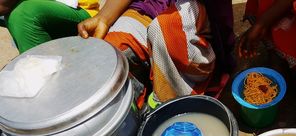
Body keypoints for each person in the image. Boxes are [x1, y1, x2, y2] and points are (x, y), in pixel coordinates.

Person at [77, 0, 235, 110]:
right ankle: (134, 112)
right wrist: (103, 18)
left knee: (164, 31)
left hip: (198, 8)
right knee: (111, 52)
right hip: (150, 6)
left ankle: (171, 107)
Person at [0, 0, 99, 53]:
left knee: (21, 14)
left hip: (80, 11)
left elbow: (3, 5)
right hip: (42, 7)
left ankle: (46, 82)